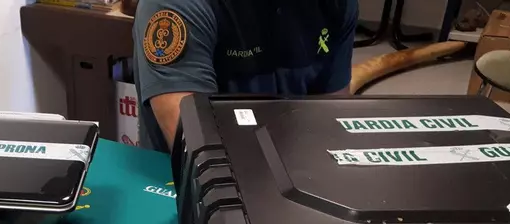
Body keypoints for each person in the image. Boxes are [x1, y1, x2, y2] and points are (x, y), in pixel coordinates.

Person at [133, 0, 359, 153]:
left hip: (292, 167)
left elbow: (331, 126)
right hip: (188, 186)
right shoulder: (176, 5)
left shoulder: (335, 4)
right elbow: (198, 156)